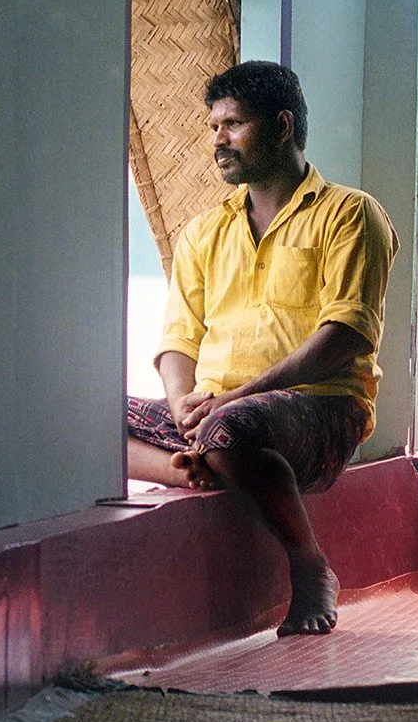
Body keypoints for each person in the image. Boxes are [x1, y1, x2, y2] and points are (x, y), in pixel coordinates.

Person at [126, 60, 398, 635]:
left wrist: (233, 399)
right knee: (91, 413)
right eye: (213, 126)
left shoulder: (350, 214)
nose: (217, 140)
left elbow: (343, 338)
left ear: (280, 126)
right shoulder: (204, 232)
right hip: (221, 417)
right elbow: (180, 339)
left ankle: (310, 566)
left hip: (321, 410)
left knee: (232, 426)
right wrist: (182, 406)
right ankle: (198, 467)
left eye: (233, 124)